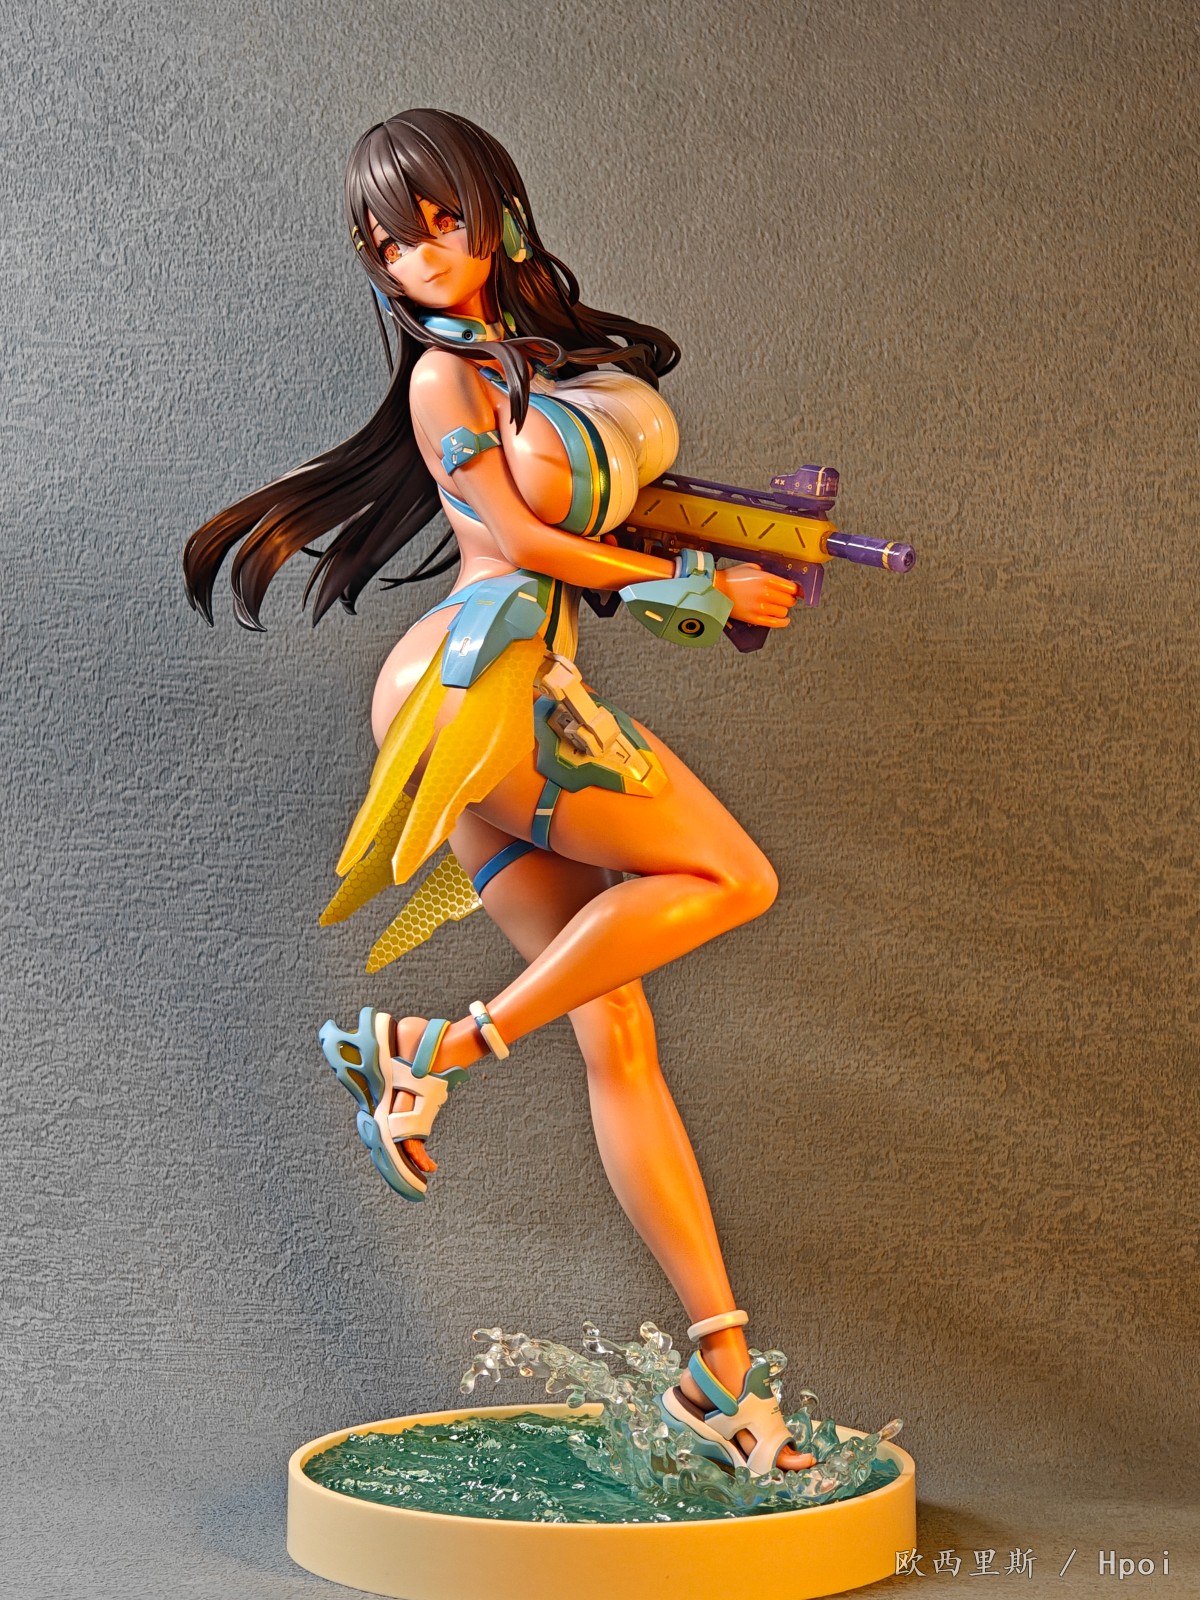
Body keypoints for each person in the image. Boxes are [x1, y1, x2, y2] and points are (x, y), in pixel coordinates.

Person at [184, 108, 811, 1477]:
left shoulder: (528, 358)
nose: (420, 257)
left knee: (617, 1024)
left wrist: (715, 542)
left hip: (498, 679)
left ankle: (718, 1369)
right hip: (482, 681)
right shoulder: (444, 381)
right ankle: (436, 1050)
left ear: (496, 214)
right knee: (730, 876)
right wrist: (694, 585)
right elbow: (518, 537)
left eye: (438, 225)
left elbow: (587, 516)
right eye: (390, 244)